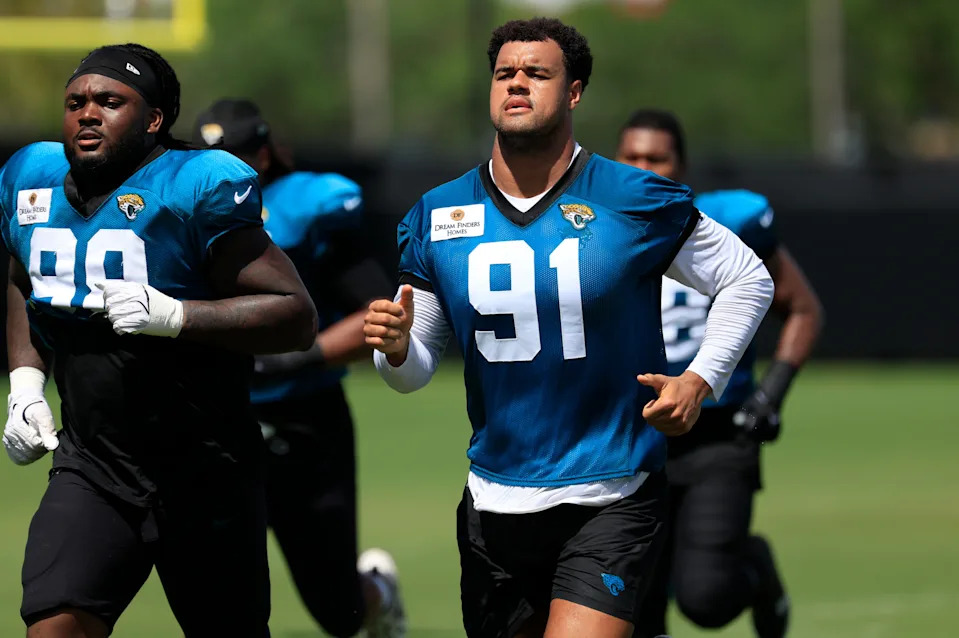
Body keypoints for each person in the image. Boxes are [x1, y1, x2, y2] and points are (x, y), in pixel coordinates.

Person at [364, 17, 775, 638]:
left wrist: (698, 381)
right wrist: (394, 352)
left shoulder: (633, 196)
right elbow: (413, 369)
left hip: (610, 498)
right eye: (505, 73)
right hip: (493, 503)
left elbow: (748, 279)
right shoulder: (437, 212)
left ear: (575, 91)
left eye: (537, 72)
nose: (518, 84)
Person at [0, 43, 318, 637]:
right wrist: (24, 384)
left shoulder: (192, 184)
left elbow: (295, 315)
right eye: (76, 102)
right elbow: (23, 279)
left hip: (206, 470)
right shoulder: (30, 178)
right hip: (93, 464)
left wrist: (179, 315)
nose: (87, 113)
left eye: (109, 101)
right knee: (54, 626)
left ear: (153, 119)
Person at [192, 99, 406, 638]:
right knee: (214, 589)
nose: (221, 172)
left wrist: (297, 356)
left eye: (235, 157)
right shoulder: (180, 208)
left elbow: (380, 315)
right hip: (217, 422)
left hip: (303, 420)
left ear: (262, 155)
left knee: (338, 611)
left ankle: (378, 592)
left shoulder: (309, 206)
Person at [616, 109, 824, 638]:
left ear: (681, 165)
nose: (644, 167)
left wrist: (770, 397)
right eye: (632, 157)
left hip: (716, 434)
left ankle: (755, 569)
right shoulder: (590, 227)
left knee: (705, 598)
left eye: (656, 157)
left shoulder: (725, 225)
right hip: (632, 437)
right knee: (635, 606)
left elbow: (802, 308)